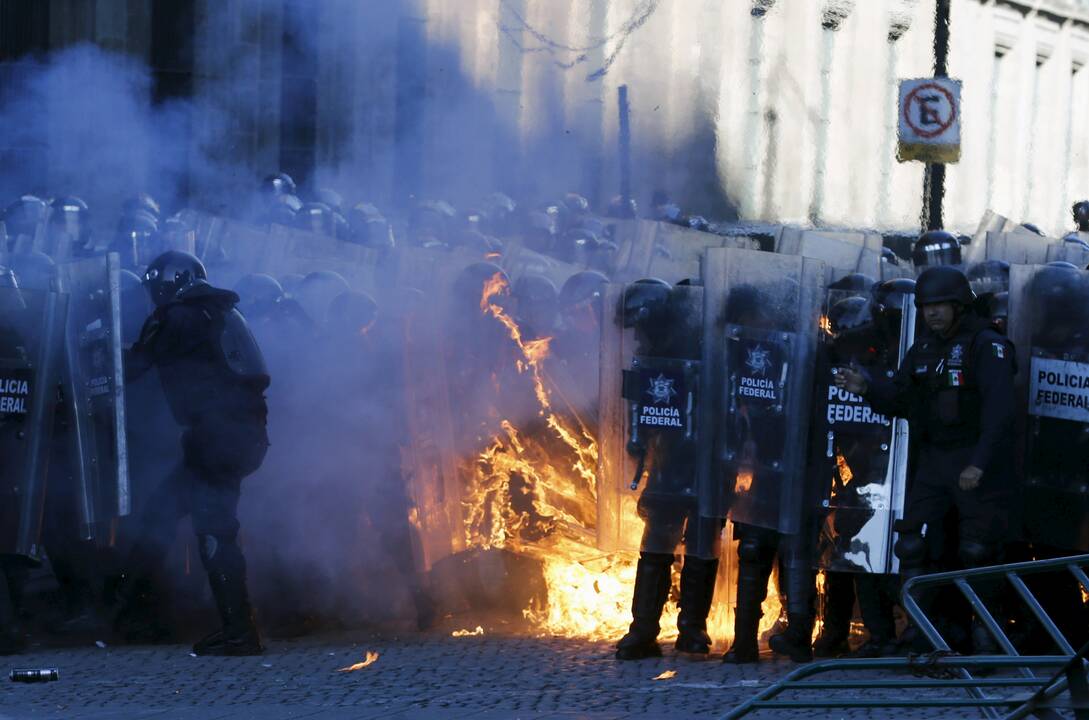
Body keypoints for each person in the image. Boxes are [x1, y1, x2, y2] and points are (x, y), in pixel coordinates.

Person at [835, 266, 1016, 654]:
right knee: (913, 544)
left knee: (978, 552)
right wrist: (867, 388)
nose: (932, 313)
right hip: (936, 460)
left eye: (941, 306)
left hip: (978, 461)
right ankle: (923, 633)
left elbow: (1001, 413)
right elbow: (903, 400)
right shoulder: (923, 348)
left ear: (959, 305)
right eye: (927, 306)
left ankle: (987, 641)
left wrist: (979, 464)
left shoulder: (986, 345)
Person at [115, 251, 270, 656]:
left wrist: (91, 353)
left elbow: (133, 366)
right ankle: (134, 615)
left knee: (214, 530)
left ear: (168, 283)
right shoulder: (219, 311)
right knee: (161, 513)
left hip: (217, 440)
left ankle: (239, 632)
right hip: (235, 436)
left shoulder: (179, 316)